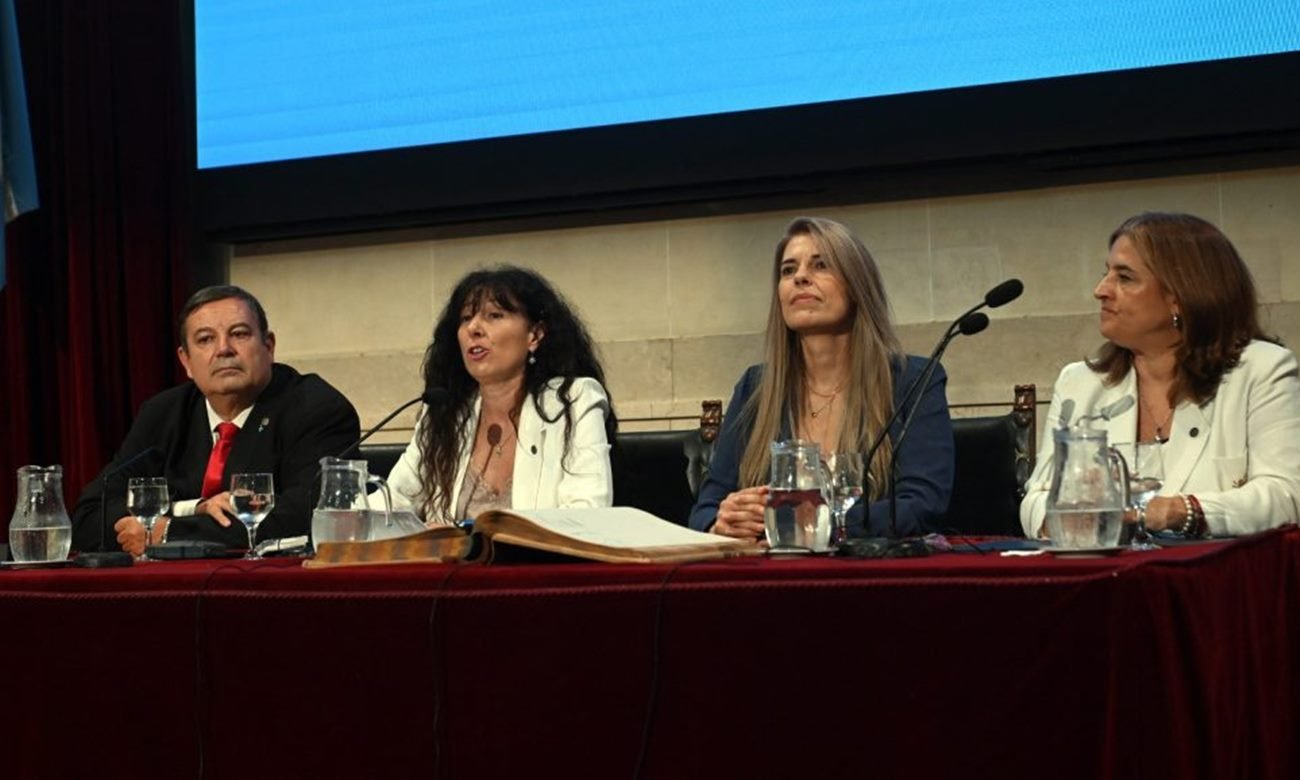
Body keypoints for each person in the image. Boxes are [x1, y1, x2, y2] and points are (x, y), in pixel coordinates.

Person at [1021, 212, 1300, 538]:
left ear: (1179, 297)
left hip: (1215, 581)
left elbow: (1288, 494)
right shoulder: (1081, 383)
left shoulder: (1260, 371)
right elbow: (1037, 498)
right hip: (1106, 578)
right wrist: (1061, 520)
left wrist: (1183, 510)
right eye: (1106, 273)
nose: (1101, 290)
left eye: (1124, 278)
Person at [688, 217, 954, 539]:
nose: (800, 277)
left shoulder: (913, 381)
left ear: (857, 287)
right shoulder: (755, 388)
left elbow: (923, 505)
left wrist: (814, 525)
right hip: (771, 579)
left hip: (871, 579)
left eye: (821, 265)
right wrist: (722, 521)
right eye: (788, 270)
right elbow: (706, 508)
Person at [71, 285, 361, 555]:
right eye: (206, 339)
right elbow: (89, 516)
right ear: (185, 361)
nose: (224, 349)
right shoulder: (163, 414)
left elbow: (311, 516)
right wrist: (193, 509)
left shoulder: (316, 408)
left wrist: (169, 532)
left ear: (268, 346)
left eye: (239, 334)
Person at [386, 266, 616, 524]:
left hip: (540, 563)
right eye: (465, 318)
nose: (474, 328)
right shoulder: (445, 413)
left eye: (494, 315)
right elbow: (389, 504)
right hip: (448, 563)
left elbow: (588, 511)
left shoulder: (572, 401)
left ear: (535, 335)